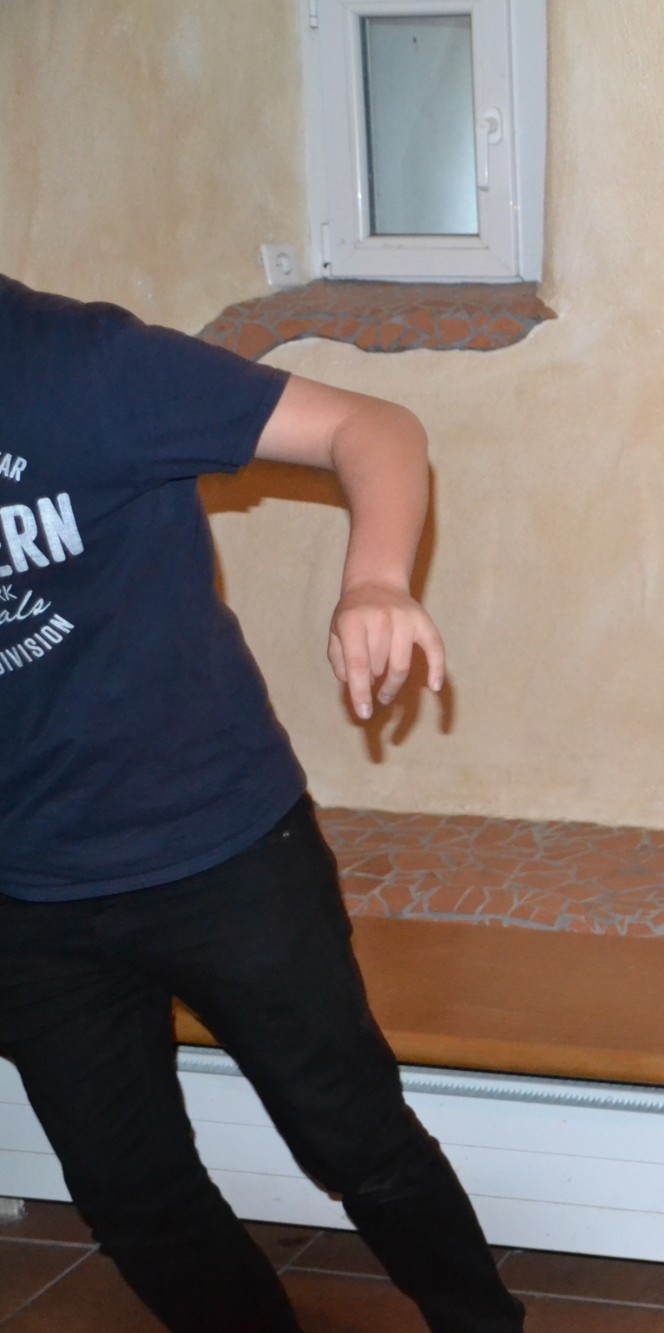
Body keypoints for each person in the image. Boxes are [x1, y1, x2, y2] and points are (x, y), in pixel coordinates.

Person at [0, 274, 524, 1332]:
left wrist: (376, 580)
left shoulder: (84, 365)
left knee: (355, 1139)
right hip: (26, 893)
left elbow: (372, 426)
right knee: (132, 1197)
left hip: (223, 850)